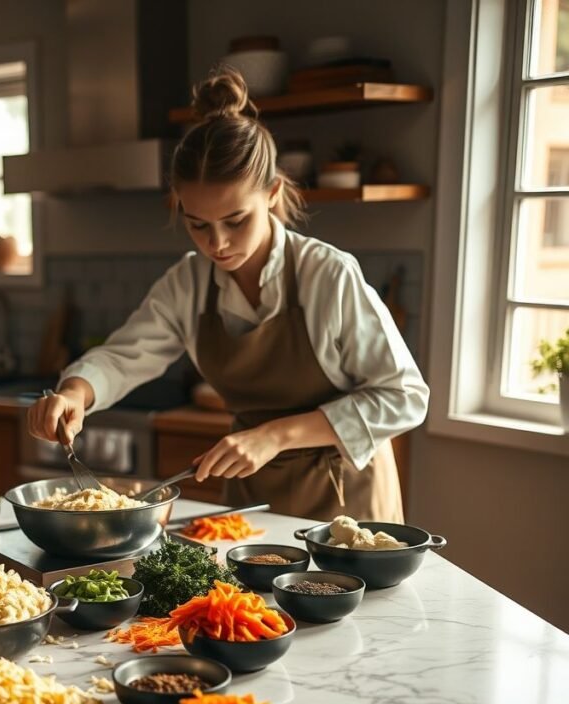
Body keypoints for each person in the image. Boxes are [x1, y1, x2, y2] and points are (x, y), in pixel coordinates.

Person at [27, 67, 428, 521]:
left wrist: (274, 435)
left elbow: (404, 396)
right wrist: (75, 394)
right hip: (251, 501)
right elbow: (122, 357)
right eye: (197, 224)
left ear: (273, 193)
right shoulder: (189, 282)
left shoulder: (327, 275)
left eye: (236, 220)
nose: (216, 243)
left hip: (346, 504)